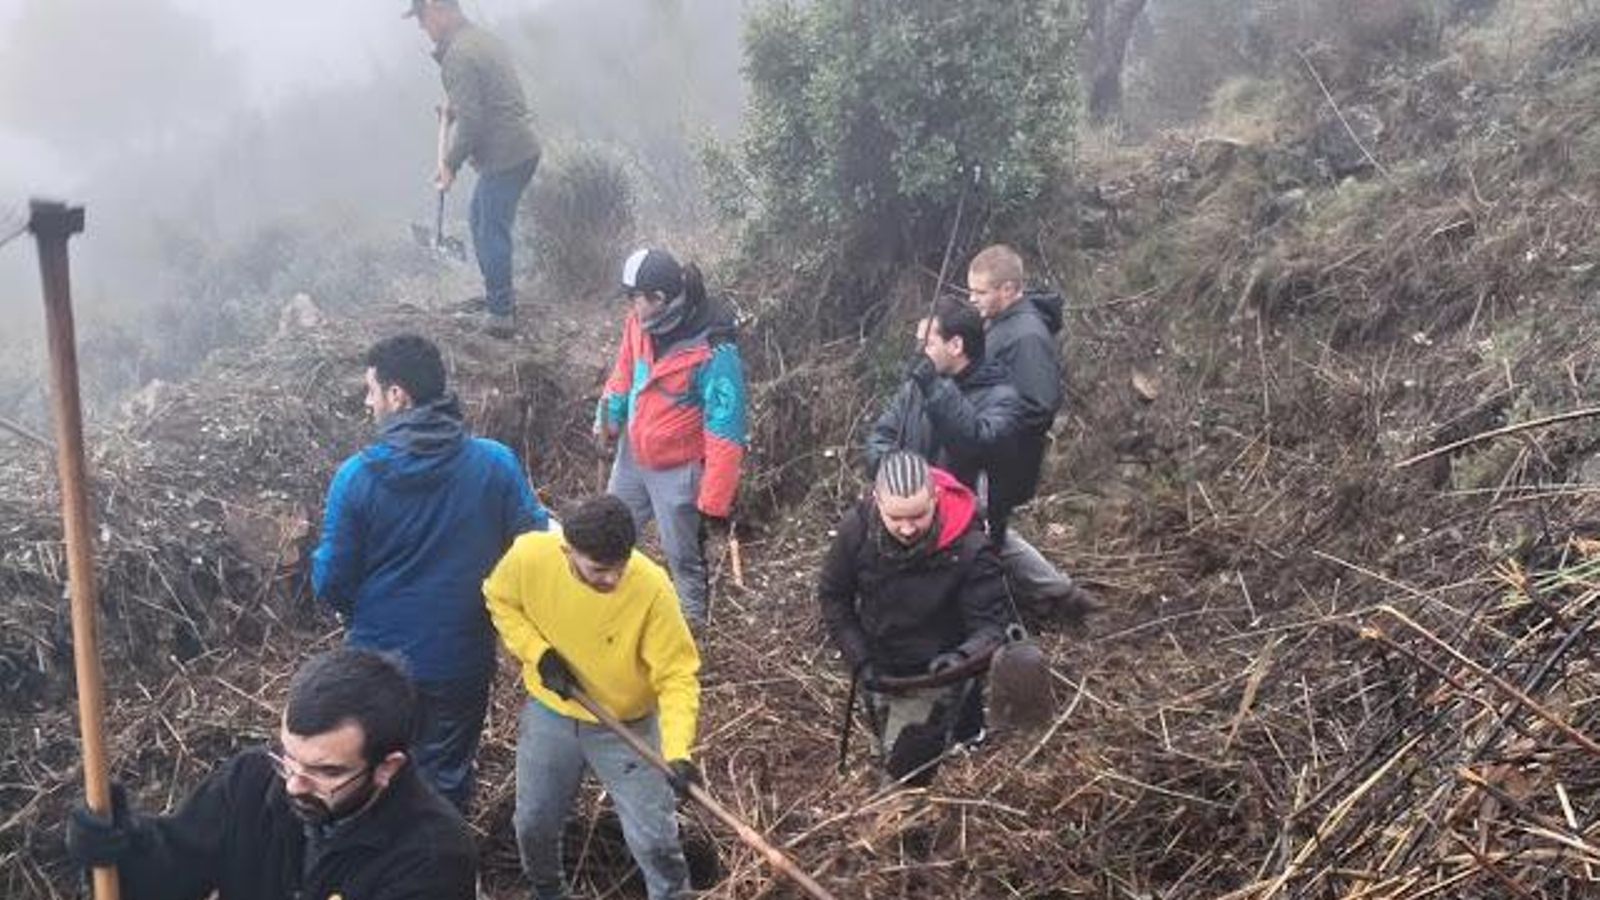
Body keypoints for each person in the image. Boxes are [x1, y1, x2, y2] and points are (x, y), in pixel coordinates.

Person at [312, 333, 549, 811]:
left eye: (371, 391)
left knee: (374, 780)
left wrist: (355, 607)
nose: (368, 401)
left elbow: (331, 580)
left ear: (397, 395)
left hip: (376, 662)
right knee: (445, 779)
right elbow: (533, 549)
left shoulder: (356, 478)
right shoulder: (494, 464)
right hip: (460, 657)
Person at [64, 648, 477, 900]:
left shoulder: (433, 855)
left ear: (388, 767)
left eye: (325, 771)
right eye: (289, 758)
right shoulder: (253, 779)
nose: (294, 784)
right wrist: (121, 847)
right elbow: (170, 875)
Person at [484, 494, 701, 900]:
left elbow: (677, 675)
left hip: (626, 725)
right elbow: (498, 597)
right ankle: (549, 891)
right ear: (568, 551)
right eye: (599, 570)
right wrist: (539, 654)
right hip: (553, 713)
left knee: (655, 839)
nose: (613, 580)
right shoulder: (531, 556)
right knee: (533, 823)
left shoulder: (651, 588)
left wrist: (677, 751)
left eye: (620, 568)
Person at [818, 450, 1009, 785]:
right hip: (880, 668)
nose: (907, 529)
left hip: (942, 672)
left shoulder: (970, 546)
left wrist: (960, 661)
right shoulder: (856, 529)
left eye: (918, 516)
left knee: (908, 777)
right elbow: (834, 597)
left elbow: (991, 627)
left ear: (935, 497)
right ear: (877, 501)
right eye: (896, 518)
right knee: (888, 753)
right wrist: (859, 658)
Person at [596, 248, 748, 626]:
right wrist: (609, 415)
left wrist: (713, 501)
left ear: (659, 299)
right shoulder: (640, 323)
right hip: (633, 456)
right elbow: (625, 370)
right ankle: (604, 609)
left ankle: (692, 629)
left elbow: (725, 426)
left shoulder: (715, 349)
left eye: (636, 299)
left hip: (679, 469)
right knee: (607, 535)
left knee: (683, 557)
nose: (631, 308)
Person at [965, 244, 1093, 617]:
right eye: (970, 292)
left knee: (982, 531)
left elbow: (1039, 405)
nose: (973, 300)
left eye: (980, 292)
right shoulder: (1001, 324)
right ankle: (1057, 592)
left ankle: (1026, 604)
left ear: (1008, 289)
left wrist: (987, 433)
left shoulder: (1026, 337)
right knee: (993, 533)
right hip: (991, 455)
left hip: (1004, 460)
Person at [407, 0, 541, 337]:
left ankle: (500, 315)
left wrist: (450, 164)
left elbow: (473, 124)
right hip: (519, 146)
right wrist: (455, 110)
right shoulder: (480, 39)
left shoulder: (458, 56)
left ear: (438, 8)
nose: (423, 28)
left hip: (505, 154)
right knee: (481, 219)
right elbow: (485, 96)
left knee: (488, 227)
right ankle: (499, 301)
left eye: (423, 19)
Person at [865, 295, 1025, 521]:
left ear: (956, 345)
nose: (918, 353)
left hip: (967, 524)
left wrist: (935, 388)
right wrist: (899, 475)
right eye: (917, 343)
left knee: (1029, 559)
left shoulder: (1001, 396)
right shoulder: (915, 388)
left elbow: (979, 446)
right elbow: (880, 438)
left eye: (927, 344)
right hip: (909, 516)